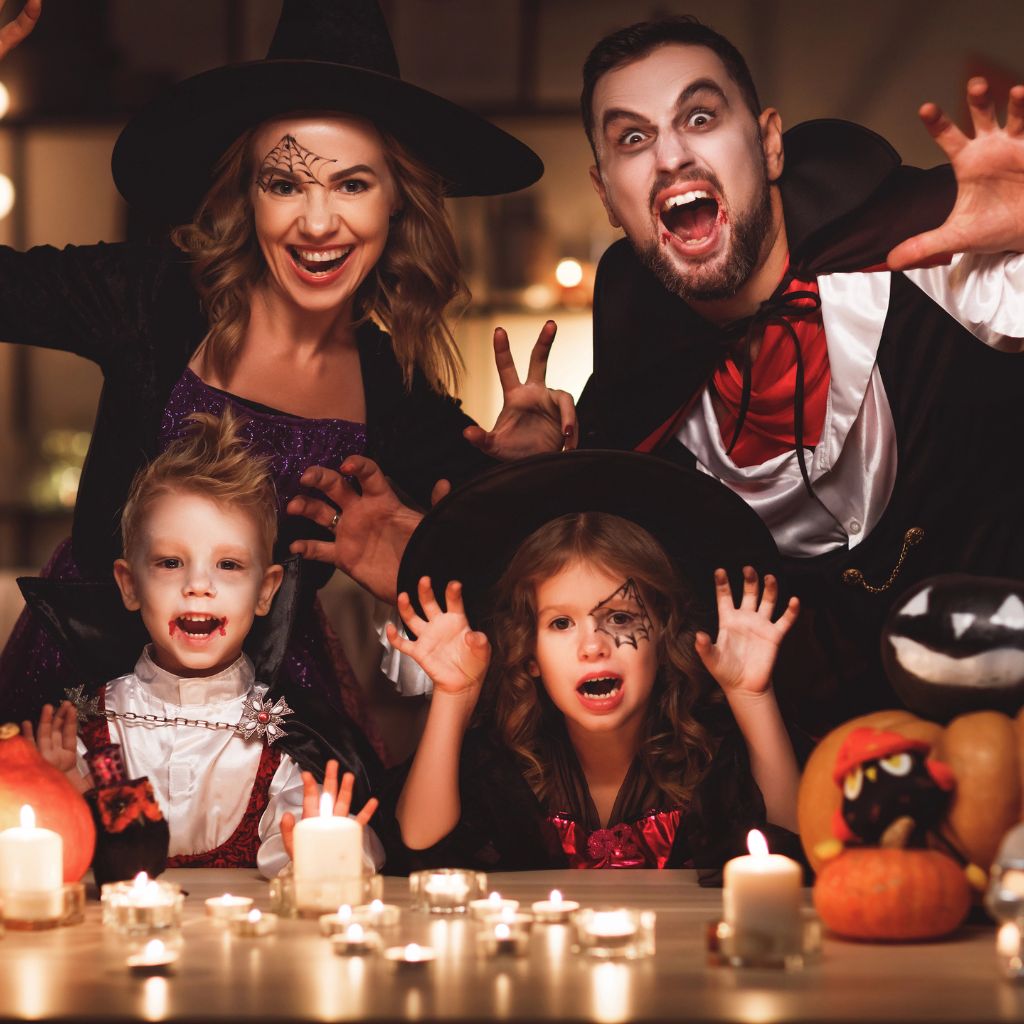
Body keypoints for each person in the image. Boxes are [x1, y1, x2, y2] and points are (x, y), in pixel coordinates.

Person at [0, 0, 571, 760]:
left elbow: (534, 568)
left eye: (352, 185)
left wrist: (536, 463)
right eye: (285, 183)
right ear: (247, 193)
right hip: (75, 703)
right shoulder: (151, 299)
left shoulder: (393, 393)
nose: (316, 221)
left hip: (263, 731)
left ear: (398, 199)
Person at [573, 16, 1024, 736]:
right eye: (633, 137)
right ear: (605, 192)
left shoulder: (936, 256)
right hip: (802, 802)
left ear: (771, 142)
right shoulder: (637, 408)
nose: (670, 157)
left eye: (699, 116)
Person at [380, 451, 802, 876]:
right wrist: (455, 696)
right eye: (561, 623)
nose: (592, 646)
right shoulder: (500, 769)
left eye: (620, 618)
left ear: (662, 636)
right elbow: (418, 844)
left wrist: (752, 696)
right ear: (530, 657)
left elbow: (796, 845)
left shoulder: (711, 760)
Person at [22, 411, 380, 875]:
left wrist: (318, 844)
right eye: (171, 562)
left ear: (266, 591)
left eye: (228, 565)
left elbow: (323, 859)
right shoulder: (91, 730)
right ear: (129, 585)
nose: (198, 585)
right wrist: (65, 786)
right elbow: (61, 862)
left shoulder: (283, 740)